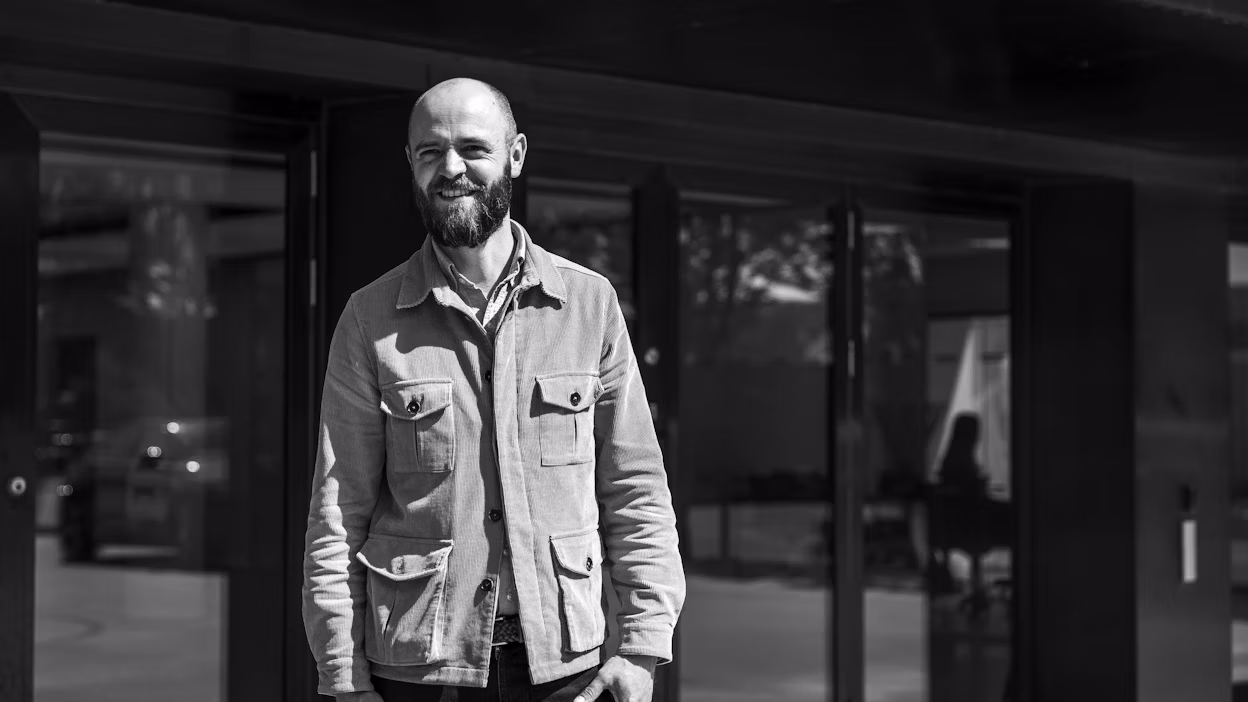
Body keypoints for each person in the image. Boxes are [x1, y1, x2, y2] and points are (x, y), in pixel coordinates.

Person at [301, 77, 685, 702]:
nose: (451, 168)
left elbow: (634, 485)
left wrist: (642, 646)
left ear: (516, 154)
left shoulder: (587, 305)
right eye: (430, 152)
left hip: (564, 666)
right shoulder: (370, 319)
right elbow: (337, 511)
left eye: (473, 149)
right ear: (410, 164)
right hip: (420, 673)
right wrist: (343, 674)